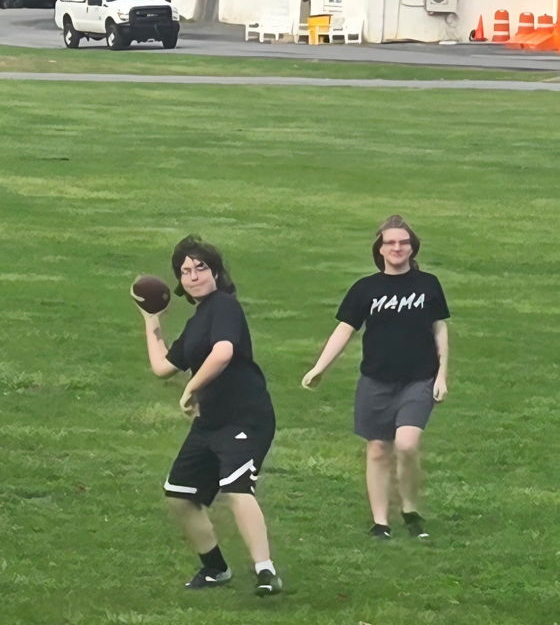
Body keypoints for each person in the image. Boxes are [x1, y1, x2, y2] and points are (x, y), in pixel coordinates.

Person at [132, 235, 282, 595]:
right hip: (210, 422)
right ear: (179, 281)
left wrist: (191, 387)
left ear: (215, 273)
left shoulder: (224, 307)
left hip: (245, 416)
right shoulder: (198, 321)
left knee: (237, 486)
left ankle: (266, 572)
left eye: (201, 268)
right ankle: (215, 569)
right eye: (185, 271)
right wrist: (151, 320)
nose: (194, 275)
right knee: (180, 495)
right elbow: (162, 367)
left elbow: (224, 352)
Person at [301, 216, 449, 540]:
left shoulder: (428, 285)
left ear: (412, 247)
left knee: (407, 446)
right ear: (380, 249)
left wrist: (442, 374)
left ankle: (410, 508)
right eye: (390, 242)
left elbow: (439, 327)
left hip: (418, 379)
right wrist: (319, 368)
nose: (397, 248)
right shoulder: (365, 289)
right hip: (376, 382)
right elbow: (344, 330)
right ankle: (381, 522)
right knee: (378, 449)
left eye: (403, 242)